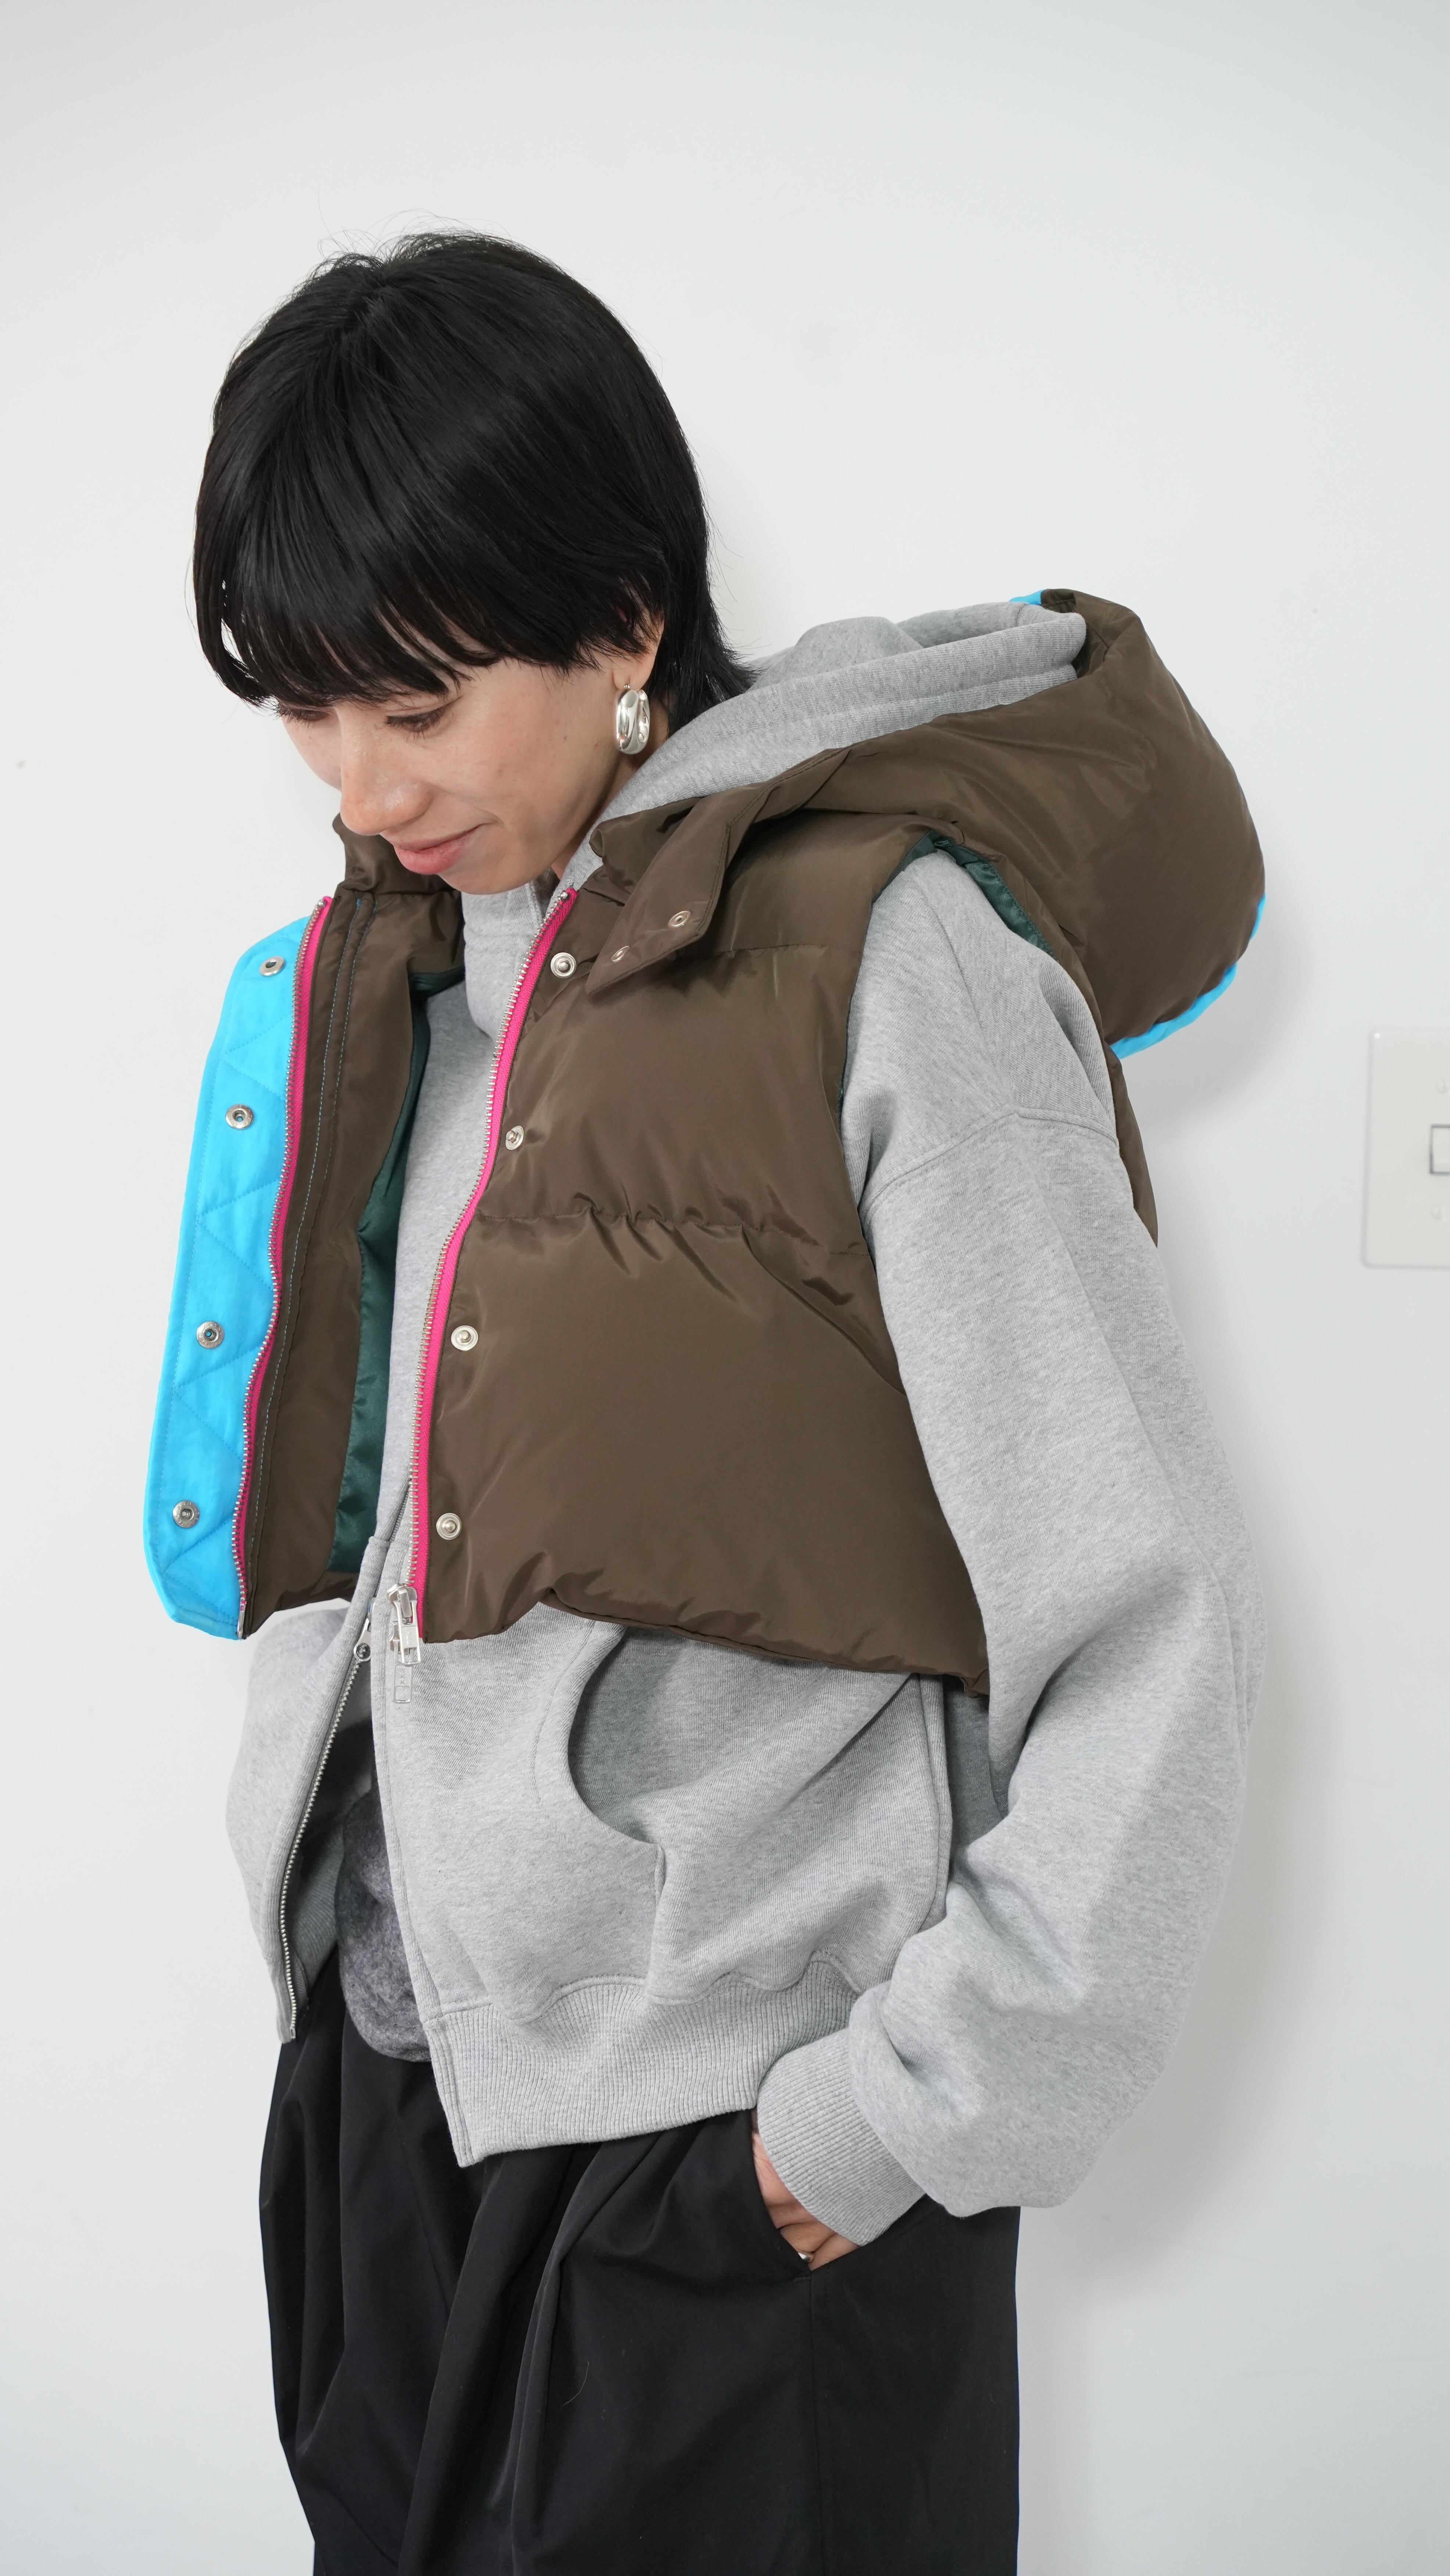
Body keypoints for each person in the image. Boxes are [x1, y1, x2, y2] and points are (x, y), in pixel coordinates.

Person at [145, 233, 1265, 2575]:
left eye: (420, 698)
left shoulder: (888, 952)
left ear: (627, 616)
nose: (361, 781)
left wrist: (882, 2128)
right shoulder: (387, 982)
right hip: (389, 2119)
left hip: (722, 2166)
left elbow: (1143, 1612)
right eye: (304, 707)